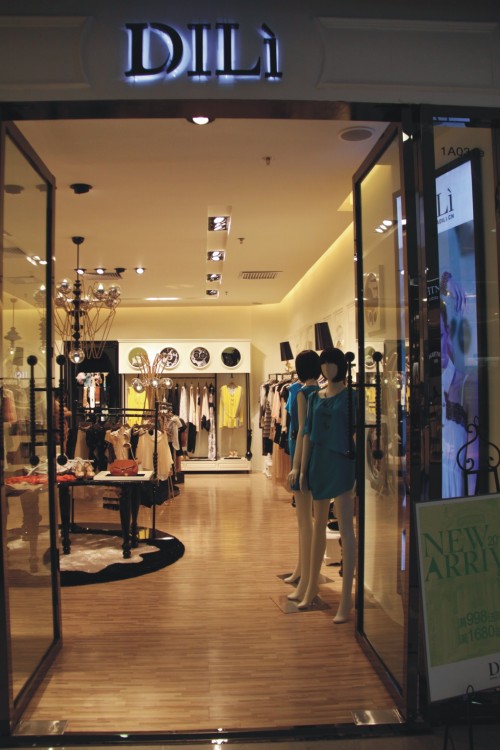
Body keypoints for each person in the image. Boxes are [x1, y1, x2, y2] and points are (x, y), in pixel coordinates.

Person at [297, 347, 357, 624]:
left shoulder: (351, 397)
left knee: (346, 527)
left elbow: (358, 434)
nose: (326, 368)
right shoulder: (314, 397)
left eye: (331, 363)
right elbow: (307, 434)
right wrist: (302, 469)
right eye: (323, 363)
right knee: (318, 524)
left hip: (342, 462)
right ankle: (311, 586)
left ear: (340, 366)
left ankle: (346, 598)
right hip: (319, 463)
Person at [284, 349, 322, 586]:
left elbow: (300, 431)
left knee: (304, 519)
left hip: (299, 455)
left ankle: (306, 573)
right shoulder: (321, 391)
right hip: (314, 454)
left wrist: (297, 466)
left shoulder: (301, 392)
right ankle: (302, 568)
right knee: (311, 519)